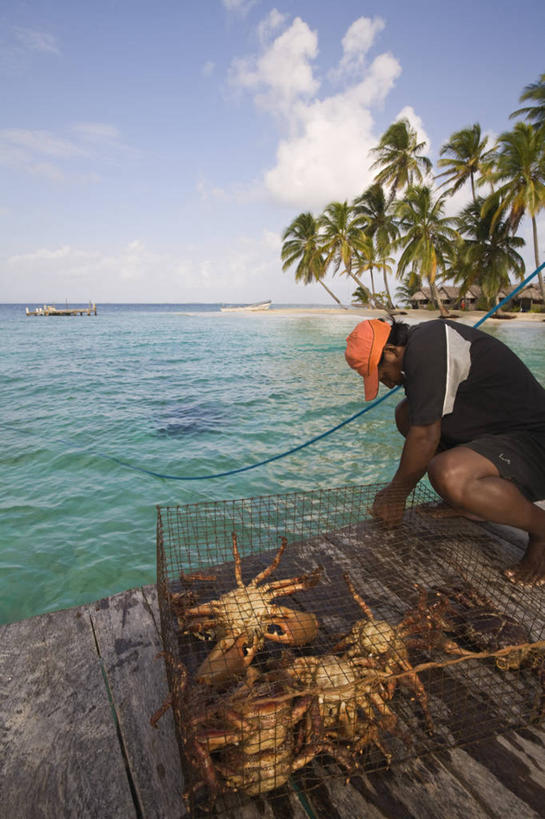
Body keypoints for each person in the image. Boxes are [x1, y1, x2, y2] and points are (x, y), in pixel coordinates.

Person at [345, 317, 545, 587]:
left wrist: (396, 494)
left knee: (449, 474)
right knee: (406, 414)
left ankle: (541, 531)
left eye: (381, 373)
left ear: (391, 351)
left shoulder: (427, 348)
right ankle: (467, 504)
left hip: (535, 442)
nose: (386, 383)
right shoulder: (423, 342)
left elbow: (426, 435)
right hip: (502, 431)